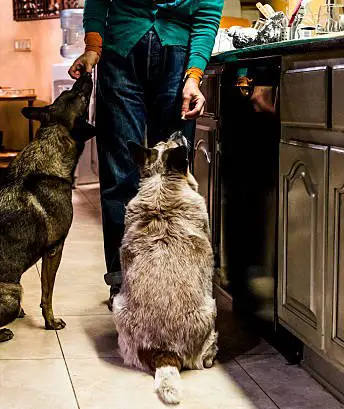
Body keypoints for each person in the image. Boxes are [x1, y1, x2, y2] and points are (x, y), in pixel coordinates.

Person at [69, 0, 224, 309]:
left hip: (177, 62)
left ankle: (171, 280)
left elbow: (206, 15)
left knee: (173, 180)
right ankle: (121, 282)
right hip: (121, 56)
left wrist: (194, 76)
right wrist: (93, 48)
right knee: (120, 175)